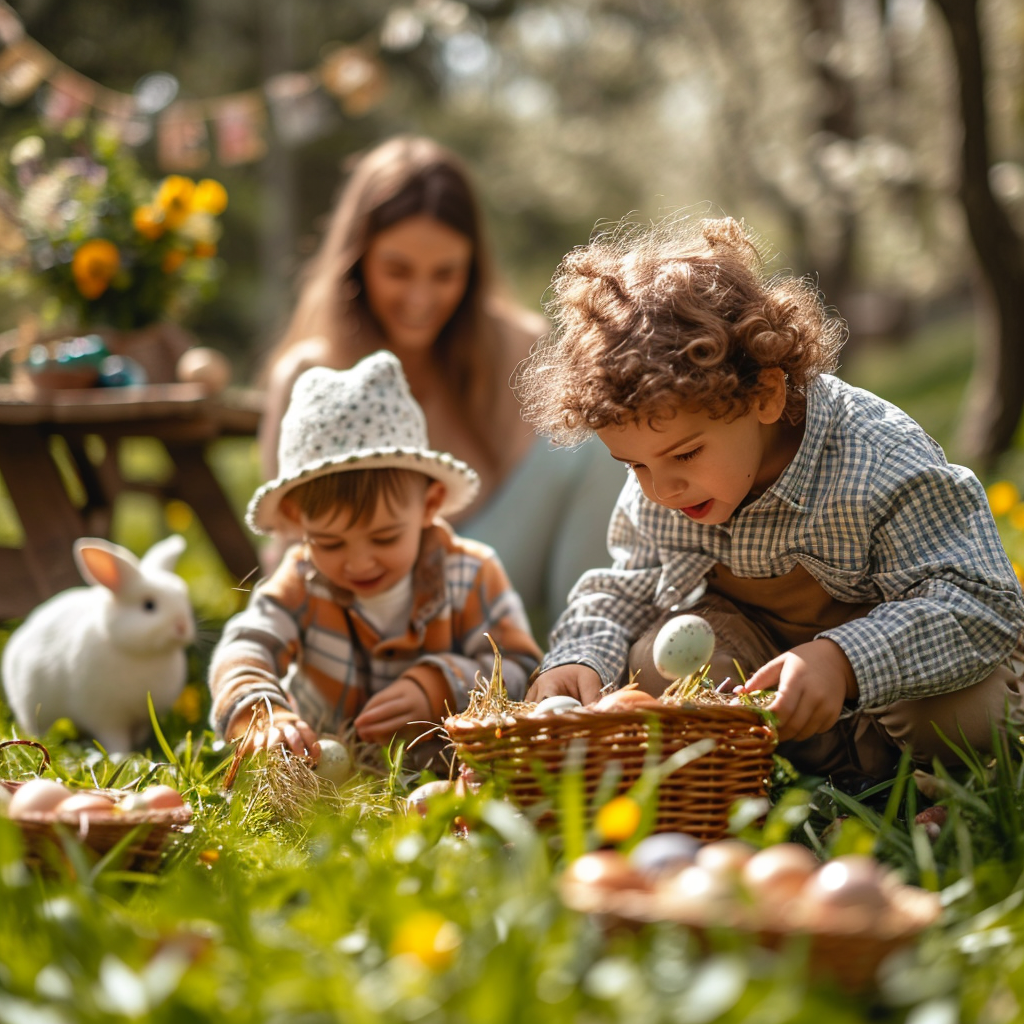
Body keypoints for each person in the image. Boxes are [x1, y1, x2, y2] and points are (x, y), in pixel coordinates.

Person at [520, 214, 1024, 785]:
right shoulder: (666, 482)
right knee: (653, 666)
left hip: (897, 686)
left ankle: (931, 775)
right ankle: (818, 777)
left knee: (961, 714)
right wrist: (579, 656)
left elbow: (982, 602)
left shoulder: (877, 459)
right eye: (634, 464)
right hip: (776, 699)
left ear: (764, 394)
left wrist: (844, 660)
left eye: (684, 455)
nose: (660, 489)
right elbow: (627, 586)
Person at [258, 134, 624, 633]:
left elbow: (543, 498)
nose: (420, 298)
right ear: (358, 261)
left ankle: (586, 654)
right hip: (370, 597)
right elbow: (289, 540)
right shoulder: (308, 373)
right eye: (398, 270)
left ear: (471, 270)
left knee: (598, 442)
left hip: (492, 577)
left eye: (445, 273)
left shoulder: (517, 345)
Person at [209, 350, 541, 760]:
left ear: (430, 504)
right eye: (330, 543)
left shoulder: (471, 574)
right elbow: (245, 646)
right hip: (325, 783)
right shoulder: (301, 580)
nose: (360, 563)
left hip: (445, 773)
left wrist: (439, 685)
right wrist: (263, 713)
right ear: (298, 519)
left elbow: (521, 669)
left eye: (384, 538)